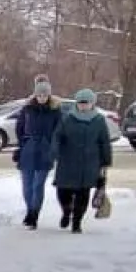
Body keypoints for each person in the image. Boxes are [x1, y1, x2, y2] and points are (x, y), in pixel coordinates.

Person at [51, 88, 112, 233]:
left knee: (83, 194)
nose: (83, 105)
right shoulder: (67, 118)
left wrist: (106, 161)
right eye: (81, 103)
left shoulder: (98, 120)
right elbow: (57, 136)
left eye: (86, 103)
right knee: (63, 191)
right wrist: (55, 151)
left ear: (92, 104)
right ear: (76, 103)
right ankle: (66, 212)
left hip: (89, 163)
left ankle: (77, 223)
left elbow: (104, 141)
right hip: (68, 161)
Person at [13, 75, 61, 229]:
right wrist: (22, 143)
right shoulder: (27, 109)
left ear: (49, 95)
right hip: (28, 148)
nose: (42, 98)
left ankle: (34, 215)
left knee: (38, 185)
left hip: (45, 150)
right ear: (35, 94)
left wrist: (53, 147)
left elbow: (58, 131)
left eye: (45, 95)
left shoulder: (55, 110)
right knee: (27, 186)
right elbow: (19, 127)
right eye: (39, 95)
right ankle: (29, 210)